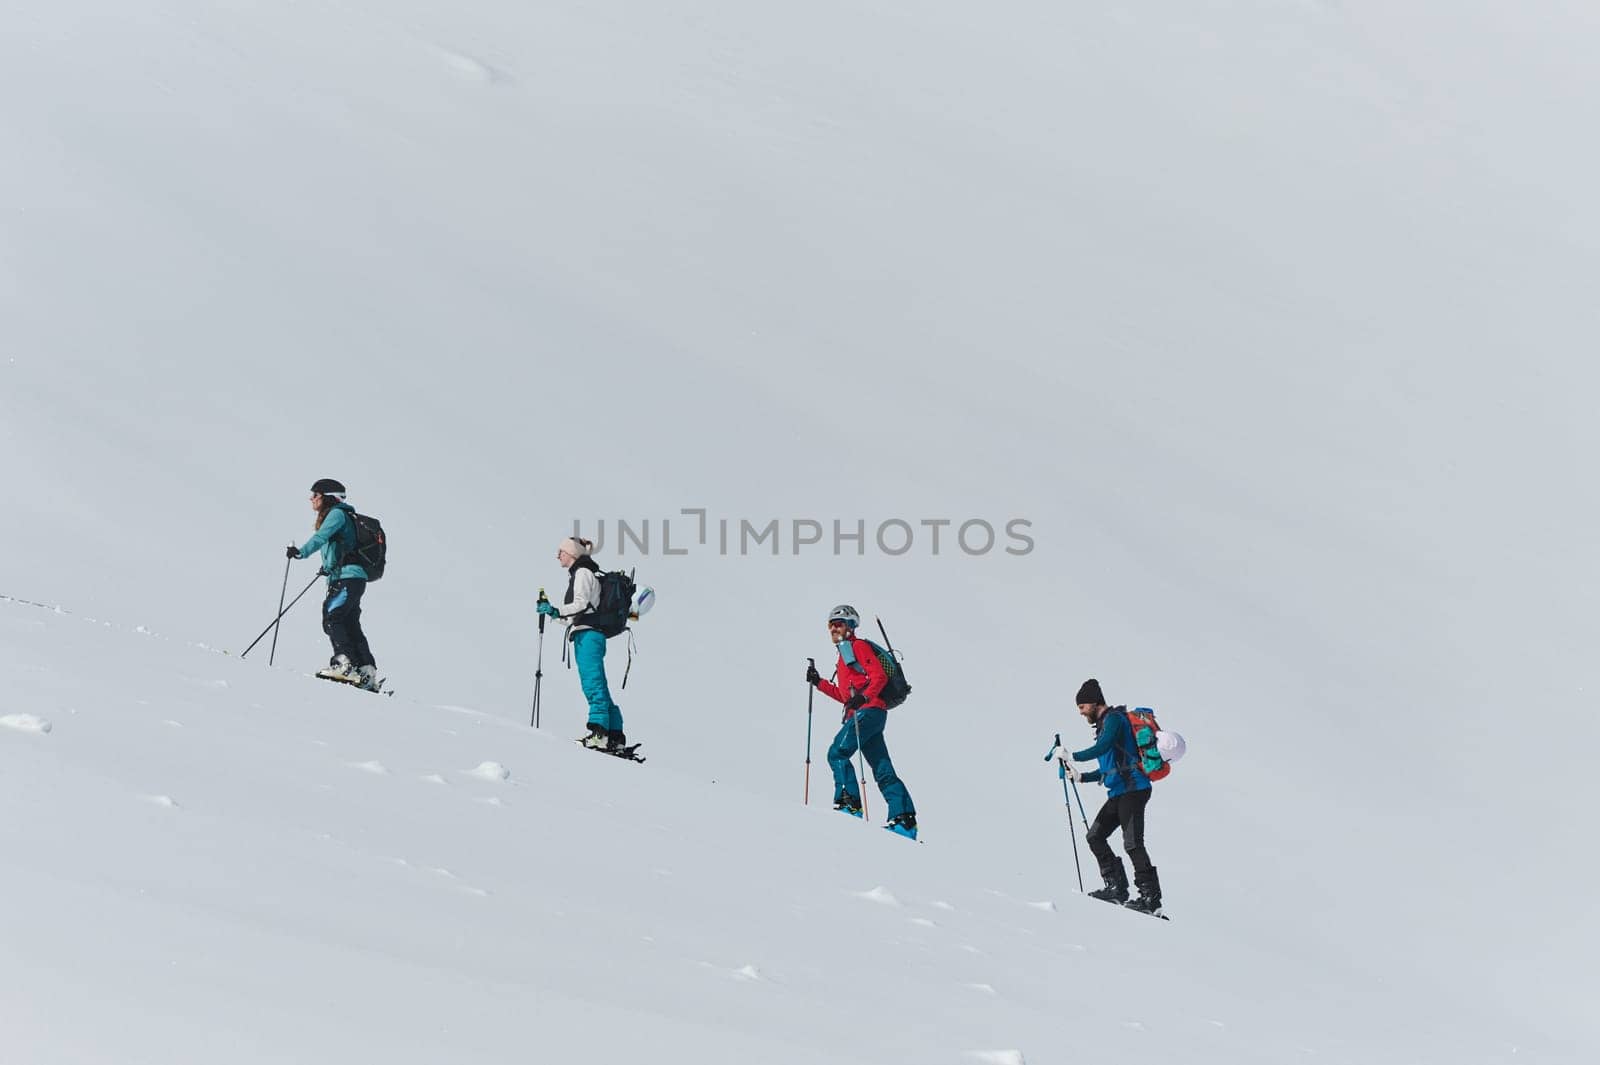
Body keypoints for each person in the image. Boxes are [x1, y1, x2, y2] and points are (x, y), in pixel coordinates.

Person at [807, 604, 918, 839]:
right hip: (866, 713)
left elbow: (878, 676)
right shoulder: (844, 654)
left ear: (851, 626)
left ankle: (850, 803)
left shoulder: (858, 646)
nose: (834, 629)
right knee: (882, 768)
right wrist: (819, 683)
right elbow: (845, 697)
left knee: (836, 753)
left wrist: (864, 697)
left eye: (839, 624)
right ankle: (904, 820)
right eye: (831, 625)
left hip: (868, 713)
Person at [1056, 678, 1163, 914]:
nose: (1082, 714)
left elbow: (1102, 748)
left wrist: (1072, 755)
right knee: (1095, 836)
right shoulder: (1105, 724)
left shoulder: (1114, 719)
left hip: (1134, 790)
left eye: (1083, 708)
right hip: (1118, 792)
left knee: (1133, 843)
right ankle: (1116, 887)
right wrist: (1082, 777)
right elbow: (1110, 766)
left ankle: (1150, 899)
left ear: (1094, 703)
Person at [287, 479, 378, 691]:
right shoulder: (342, 516)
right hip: (351, 577)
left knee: (332, 616)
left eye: (315, 494)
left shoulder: (336, 514)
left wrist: (300, 552)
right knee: (349, 623)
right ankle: (366, 671)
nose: (311, 498)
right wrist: (328, 567)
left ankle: (344, 663)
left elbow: (321, 537)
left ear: (328, 497)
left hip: (347, 577)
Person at [537, 537, 626, 751]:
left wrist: (557, 610)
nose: (558, 555)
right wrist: (552, 612)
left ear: (572, 554)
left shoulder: (583, 573)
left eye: (561, 551)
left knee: (593, 684)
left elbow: (581, 605)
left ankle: (599, 734)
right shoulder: (581, 573)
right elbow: (574, 617)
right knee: (598, 685)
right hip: (587, 634)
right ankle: (614, 735)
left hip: (589, 636)